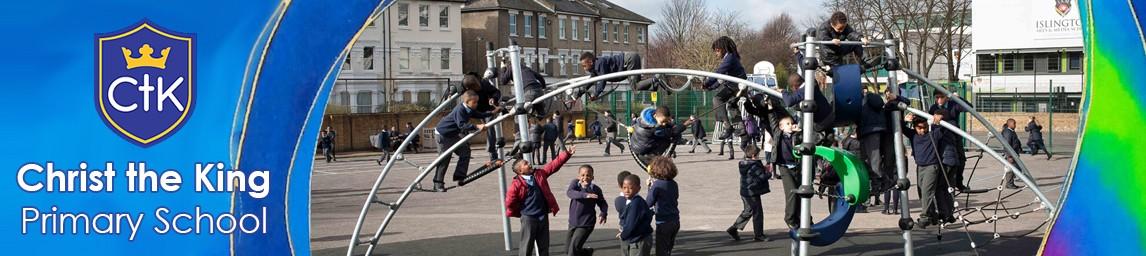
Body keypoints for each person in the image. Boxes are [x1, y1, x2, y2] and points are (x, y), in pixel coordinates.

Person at [506, 145, 576, 256]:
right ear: (520, 171)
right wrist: (521, 212)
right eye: (525, 164)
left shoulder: (539, 174)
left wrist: (566, 154)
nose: (529, 164)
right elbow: (510, 202)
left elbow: (553, 165)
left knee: (544, 244)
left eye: (528, 162)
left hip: (542, 216)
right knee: (526, 244)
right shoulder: (516, 184)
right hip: (528, 217)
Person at [431, 90, 491, 192]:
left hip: (453, 135)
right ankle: (437, 184)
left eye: (477, 102)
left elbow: (478, 114)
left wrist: (492, 112)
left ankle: (459, 175)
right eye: (474, 102)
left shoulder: (469, 109)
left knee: (465, 151)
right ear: (467, 102)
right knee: (444, 159)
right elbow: (462, 125)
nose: (476, 104)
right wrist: (477, 126)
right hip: (443, 135)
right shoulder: (460, 109)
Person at [902, 112, 953, 228]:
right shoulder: (913, 135)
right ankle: (932, 215)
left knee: (927, 191)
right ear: (915, 127)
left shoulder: (933, 134)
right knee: (921, 192)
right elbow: (901, 127)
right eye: (920, 128)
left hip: (932, 167)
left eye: (925, 127)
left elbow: (946, 127)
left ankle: (924, 216)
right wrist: (906, 120)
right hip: (920, 167)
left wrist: (941, 118)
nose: (923, 130)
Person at [704, 36, 748, 159]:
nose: (716, 54)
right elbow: (721, 79)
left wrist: (707, 83)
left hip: (736, 86)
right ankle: (741, 130)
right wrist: (711, 87)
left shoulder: (729, 58)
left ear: (722, 49)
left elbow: (718, 73)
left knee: (717, 99)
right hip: (735, 85)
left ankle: (727, 126)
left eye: (717, 51)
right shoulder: (730, 58)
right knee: (731, 105)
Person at [727, 145, 770, 242]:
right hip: (752, 192)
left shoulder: (744, 163)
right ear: (754, 155)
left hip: (745, 191)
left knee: (748, 211)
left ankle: (734, 228)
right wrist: (769, 172)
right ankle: (759, 235)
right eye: (758, 155)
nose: (759, 157)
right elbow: (761, 178)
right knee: (757, 213)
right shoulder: (754, 165)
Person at [928, 90, 970, 191]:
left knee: (961, 159)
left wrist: (958, 98)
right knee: (944, 160)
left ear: (946, 97)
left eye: (941, 97)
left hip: (954, 135)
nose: (939, 100)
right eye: (937, 97)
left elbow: (968, 107)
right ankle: (943, 183)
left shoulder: (953, 104)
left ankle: (958, 183)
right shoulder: (933, 108)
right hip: (941, 136)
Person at [565, 165, 608, 256]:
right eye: (583, 175)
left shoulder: (595, 189)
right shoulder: (575, 184)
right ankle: (587, 252)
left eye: (588, 175)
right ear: (578, 176)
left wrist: (603, 213)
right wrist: (585, 195)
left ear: (592, 177)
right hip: (573, 222)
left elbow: (603, 203)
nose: (585, 178)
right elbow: (570, 193)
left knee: (572, 252)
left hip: (586, 223)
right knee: (568, 250)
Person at [463, 72, 504, 164]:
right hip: (475, 110)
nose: (479, 88)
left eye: (479, 86)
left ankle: (492, 154)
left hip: (487, 109)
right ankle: (464, 149)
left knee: (489, 126)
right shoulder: (464, 86)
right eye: (477, 88)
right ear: (470, 88)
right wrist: (449, 94)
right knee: (462, 124)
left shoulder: (484, 83)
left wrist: (494, 98)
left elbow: (496, 91)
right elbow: (457, 91)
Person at [645, 156, 681, 256]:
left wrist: (649, 187)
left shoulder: (657, 185)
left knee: (661, 251)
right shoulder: (674, 184)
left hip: (663, 222)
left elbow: (649, 202)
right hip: (675, 220)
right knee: (668, 248)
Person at [770, 116, 801, 228]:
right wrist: (770, 108)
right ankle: (789, 218)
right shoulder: (779, 135)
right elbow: (773, 121)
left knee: (800, 193)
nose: (790, 125)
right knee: (792, 192)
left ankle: (801, 218)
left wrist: (799, 132)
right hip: (784, 167)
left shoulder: (797, 136)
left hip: (796, 167)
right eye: (787, 123)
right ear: (781, 127)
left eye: (791, 123)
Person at [579, 52, 644, 101]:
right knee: (639, 87)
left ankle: (654, 79)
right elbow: (589, 82)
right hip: (630, 60)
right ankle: (653, 83)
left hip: (629, 60)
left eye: (584, 66)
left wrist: (596, 94)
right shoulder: (596, 70)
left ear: (590, 62)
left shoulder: (599, 64)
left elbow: (603, 80)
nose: (584, 69)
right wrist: (578, 95)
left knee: (636, 87)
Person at [618, 174, 653, 256]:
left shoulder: (635, 204)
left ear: (638, 189)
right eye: (624, 188)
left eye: (630, 188)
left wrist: (623, 235)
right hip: (640, 237)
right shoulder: (635, 201)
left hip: (639, 240)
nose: (626, 191)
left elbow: (631, 224)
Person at [1001, 118, 1025, 189]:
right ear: (1009, 124)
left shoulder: (1011, 131)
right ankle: (1009, 184)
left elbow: (1016, 141)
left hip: (1014, 153)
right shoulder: (1008, 132)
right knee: (1011, 169)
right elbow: (1007, 144)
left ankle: (1011, 183)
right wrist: (1009, 156)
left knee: (1013, 169)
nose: (1015, 125)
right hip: (1010, 155)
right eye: (1014, 123)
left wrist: (1019, 148)